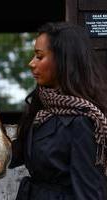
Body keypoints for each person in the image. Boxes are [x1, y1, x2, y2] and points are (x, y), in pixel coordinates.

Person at [9, 22, 107, 200]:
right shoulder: (42, 107)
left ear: (64, 60)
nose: (31, 63)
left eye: (39, 56)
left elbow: (89, 193)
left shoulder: (84, 120)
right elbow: (19, 154)